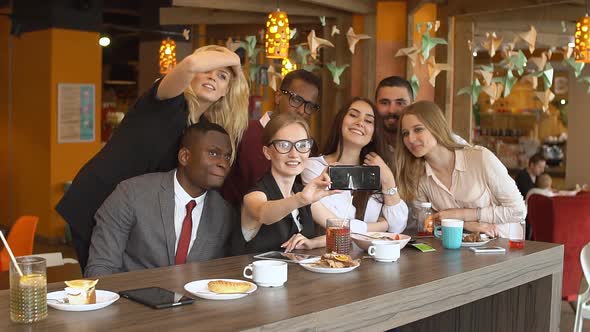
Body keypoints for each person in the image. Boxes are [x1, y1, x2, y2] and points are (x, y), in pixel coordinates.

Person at [56, 45, 249, 270]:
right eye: (207, 69)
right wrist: (235, 57)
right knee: (103, 277)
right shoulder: (166, 99)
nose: (211, 77)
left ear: (226, 90)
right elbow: (190, 64)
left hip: (134, 209)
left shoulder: (200, 128)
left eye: (222, 76)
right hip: (98, 196)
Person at [85, 121, 238, 277]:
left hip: (196, 300)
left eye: (227, 156)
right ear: (185, 156)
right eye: (213, 153)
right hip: (131, 298)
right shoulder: (130, 194)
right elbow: (101, 268)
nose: (223, 163)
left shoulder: (224, 213)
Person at [395, 101, 526, 238]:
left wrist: (460, 214)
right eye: (405, 133)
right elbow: (426, 223)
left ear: (436, 127)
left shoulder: (480, 158)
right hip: (457, 252)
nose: (410, 138)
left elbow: (518, 211)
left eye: (418, 129)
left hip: (504, 246)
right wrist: (465, 224)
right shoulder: (417, 176)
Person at [302, 97, 408, 233]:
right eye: (353, 115)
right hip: (329, 253)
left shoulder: (378, 172)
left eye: (368, 121)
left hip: (370, 253)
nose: (360, 123)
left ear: (373, 135)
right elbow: (337, 222)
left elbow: (397, 226)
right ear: (340, 122)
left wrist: (388, 180)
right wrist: (381, 226)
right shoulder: (314, 167)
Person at [238, 112, 338, 254]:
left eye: (302, 145)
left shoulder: (302, 193)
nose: (294, 154)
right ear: (267, 152)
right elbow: (263, 213)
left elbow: (342, 230)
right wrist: (301, 199)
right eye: (284, 145)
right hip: (255, 275)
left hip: (299, 275)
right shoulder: (254, 195)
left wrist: (312, 243)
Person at [221, 69, 321, 206]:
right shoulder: (242, 133)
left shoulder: (308, 146)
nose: (302, 110)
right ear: (278, 96)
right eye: (296, 100)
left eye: (309, 106)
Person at [375, 76, 468, 152]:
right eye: (384, 103)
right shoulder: (367, 139)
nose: (392, 110)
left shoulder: (439, 139)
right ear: (375, 105)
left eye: (400, 103)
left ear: (412, 105)